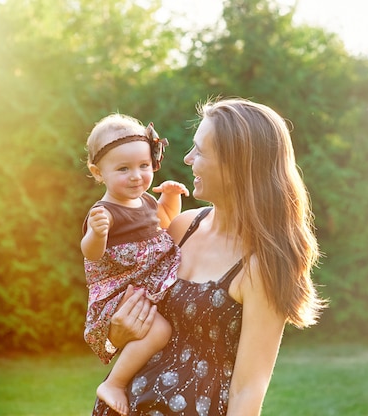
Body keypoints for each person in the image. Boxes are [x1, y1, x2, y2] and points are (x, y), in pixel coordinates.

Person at [92, 97, 326, 416]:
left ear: (236, 165)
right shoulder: (182, 227)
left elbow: (248, 389)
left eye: (199, 151)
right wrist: (114, 336)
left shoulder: (261, 266)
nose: (187, 159)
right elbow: (126, 314)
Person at [82, 113, 189, 416]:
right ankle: (114, 383)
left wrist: (169, 197)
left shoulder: (146, 202)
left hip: (145, 285)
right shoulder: (104, 211)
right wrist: (96, 233)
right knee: (159, 331)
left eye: (144, 166)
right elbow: (90, 253)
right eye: (123, 169)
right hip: (120, 294)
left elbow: (167, 224)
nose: (136, 176)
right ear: (98, 172)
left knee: (164, 329)